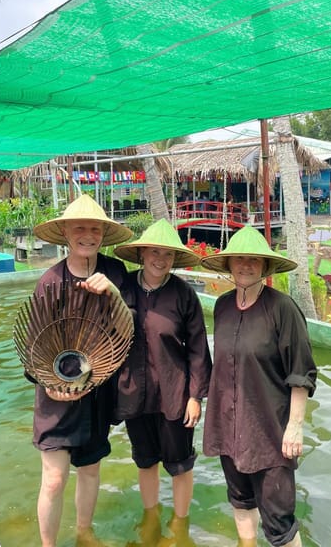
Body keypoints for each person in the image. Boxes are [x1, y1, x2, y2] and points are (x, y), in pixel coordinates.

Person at [201, 225, 317, 547]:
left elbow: (301, 373)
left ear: (266, 266)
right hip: (228, 427)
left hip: (270, 433)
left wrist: (294, 426)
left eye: (254, 260)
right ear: (229, 265)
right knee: (240, 501)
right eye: (239, 259)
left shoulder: (282, 309)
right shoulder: (222, 306)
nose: (246, 265)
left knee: (280, 524)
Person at [27, 194, 133, 547]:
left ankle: (84, 532)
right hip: (55, 395)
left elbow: (129, 328)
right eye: (80, 228)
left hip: (97, 389)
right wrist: (49, 384)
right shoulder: (49, 282)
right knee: (54, 479)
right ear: (66, 233)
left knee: (90, 468)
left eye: (94, 229)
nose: (87, 235)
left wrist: (115, 293)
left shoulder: (115, 271)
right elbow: (32, 351)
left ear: (103, 233)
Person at [114, 218, 212, 540]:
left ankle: (180, 522)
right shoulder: (124, 288)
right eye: (154, 252)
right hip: (134, 392)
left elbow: (198, 347)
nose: (160, 259)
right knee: (145, 461)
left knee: (180, 464)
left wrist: (195, 396)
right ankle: (151, 515)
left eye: (167, 254)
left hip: (175, 394)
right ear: (142, 254)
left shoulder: (183, 294)